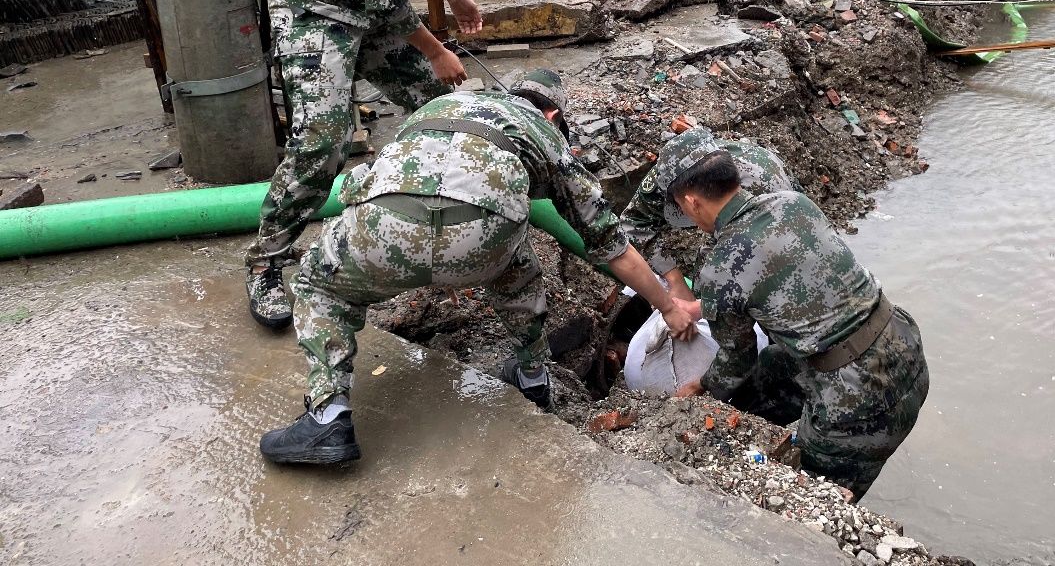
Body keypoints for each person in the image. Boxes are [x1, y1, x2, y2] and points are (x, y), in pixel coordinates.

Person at [259, 69, 698, 465]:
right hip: (481, 241)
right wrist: (667, 306)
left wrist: (430, 255)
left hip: (384, 224)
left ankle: (327, 415)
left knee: (320, 285)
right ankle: (532, 375)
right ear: (552, 113)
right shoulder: (543, 134)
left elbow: (417, 180)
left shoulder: (439, 106)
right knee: (516, 259)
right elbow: (610, 243)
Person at [246, 0, 538, 329]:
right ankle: (266, 263)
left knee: (439, 106)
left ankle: (436, 219)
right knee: (323, 139)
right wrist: (436, 49)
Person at [660, 136, 929, 501]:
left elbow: (736, 361)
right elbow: (784, 286)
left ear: (692, 202)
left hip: (859, 395)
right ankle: (760, 432)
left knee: (813, 499)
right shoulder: (793, 203)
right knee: (773, 366)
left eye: (683, 209)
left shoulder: (720, 267)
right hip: (903, 343)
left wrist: (699, 386)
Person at [620, 125, 798, 302]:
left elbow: (787, 252)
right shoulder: (672, 173)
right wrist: (674, 280)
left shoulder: (765, 188)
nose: (693, 221)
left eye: (687, 209)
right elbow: (632, 222)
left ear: (694, 202)